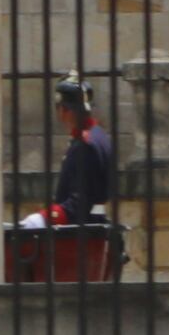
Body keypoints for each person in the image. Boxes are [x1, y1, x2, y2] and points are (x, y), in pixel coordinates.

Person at [51, 77, 116, 227]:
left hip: (82, 236)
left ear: (63, 110)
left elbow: (79, 202)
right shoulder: (98, 136)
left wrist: (44, 217)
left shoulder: (85, 145)